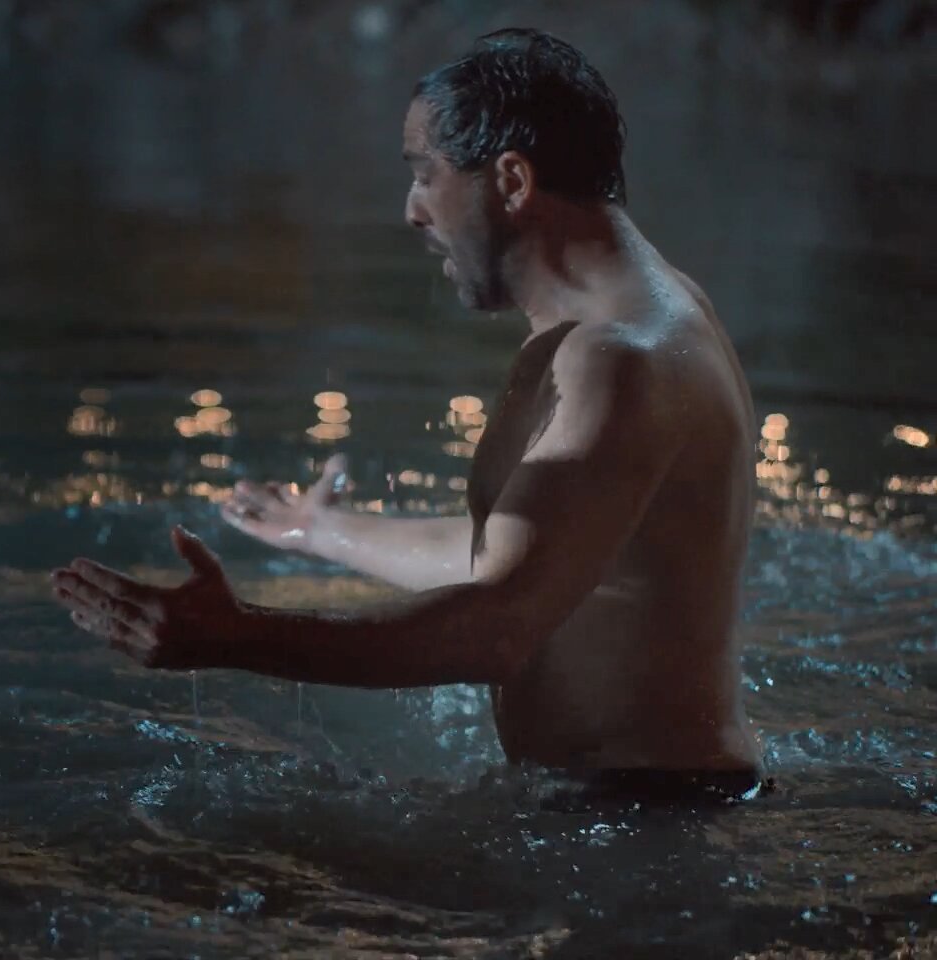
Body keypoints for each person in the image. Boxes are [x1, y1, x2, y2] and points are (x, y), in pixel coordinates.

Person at [50, 29, 767, 805]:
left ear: (512, 179)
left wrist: (236, 634)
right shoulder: (647, 313)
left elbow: (498, 626)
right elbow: (526, 554)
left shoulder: (616, 357)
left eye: (425, 175)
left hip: (646, 821)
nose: (412, 211)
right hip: (648, 807)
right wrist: (322, 531)